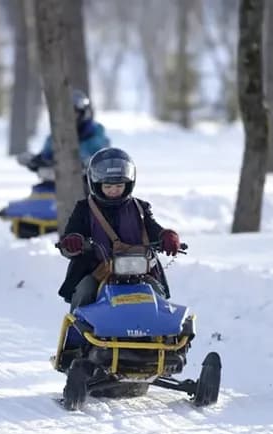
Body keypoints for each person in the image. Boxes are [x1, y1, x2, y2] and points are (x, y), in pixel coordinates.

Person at [56, 147, 181, 310]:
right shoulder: (84, 209)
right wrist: (73, 240)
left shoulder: (140, 207)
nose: (114, 191)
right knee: (84, 291)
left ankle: (164, 332)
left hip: (139, 272)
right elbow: (72, 233)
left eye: (119, 186)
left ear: (128, 184)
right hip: (98, 270)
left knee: (159, 296)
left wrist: (167, 236)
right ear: (96, 184)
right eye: (108, 187)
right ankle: (77, 330)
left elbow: (152, 228)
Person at [18, 89, 110, 174]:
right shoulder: (56, 134)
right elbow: (46, 154)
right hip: (56, 182)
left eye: (74, 112)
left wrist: (88, 162)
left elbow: (103, 157)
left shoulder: (95, 133)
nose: (70, 117)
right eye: (66, 113)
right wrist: (34, 160)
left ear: (82, 113)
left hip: (85, 183)